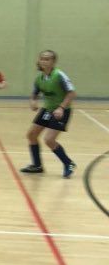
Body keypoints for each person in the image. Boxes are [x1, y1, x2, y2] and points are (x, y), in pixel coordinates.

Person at [20, 49, 77, 178]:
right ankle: (37, 165)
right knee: (31, 135)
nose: (44, 61)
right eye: (42, 59)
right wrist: (32, 101)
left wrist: (61, 108)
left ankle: (69, 163)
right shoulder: (39, 78)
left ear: (53, 62)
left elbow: (71, 93)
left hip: (62, 110)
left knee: (49, 140)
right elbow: (34, 94)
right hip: (48, 109)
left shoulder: (59, 75)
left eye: (47, 59)